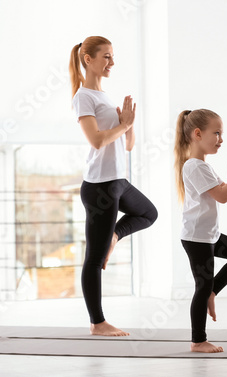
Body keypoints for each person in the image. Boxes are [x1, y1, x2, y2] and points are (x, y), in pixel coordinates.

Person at [69, 36, 158, 336]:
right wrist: (121, 125)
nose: (112, 62)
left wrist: (129, 124)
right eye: (106, 56)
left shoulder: (105, 97)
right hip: (100, 188)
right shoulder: (84, 97)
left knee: (148, 213)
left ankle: (115, 236)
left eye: (112, 56)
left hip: (118, 180)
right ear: (87, 59)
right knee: (94, 258)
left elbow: (128, 145)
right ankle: (98, 322)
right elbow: (95, 140)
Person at [174, 109, 227, 353]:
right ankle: (198, 341)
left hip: (209, 235)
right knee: (201, 286)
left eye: (222, 134)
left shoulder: (203, 166)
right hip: (197, 238)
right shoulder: (193, 167)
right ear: (198, 134)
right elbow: (221, 196)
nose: (221, 139)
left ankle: (212, 290)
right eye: (216, 133)